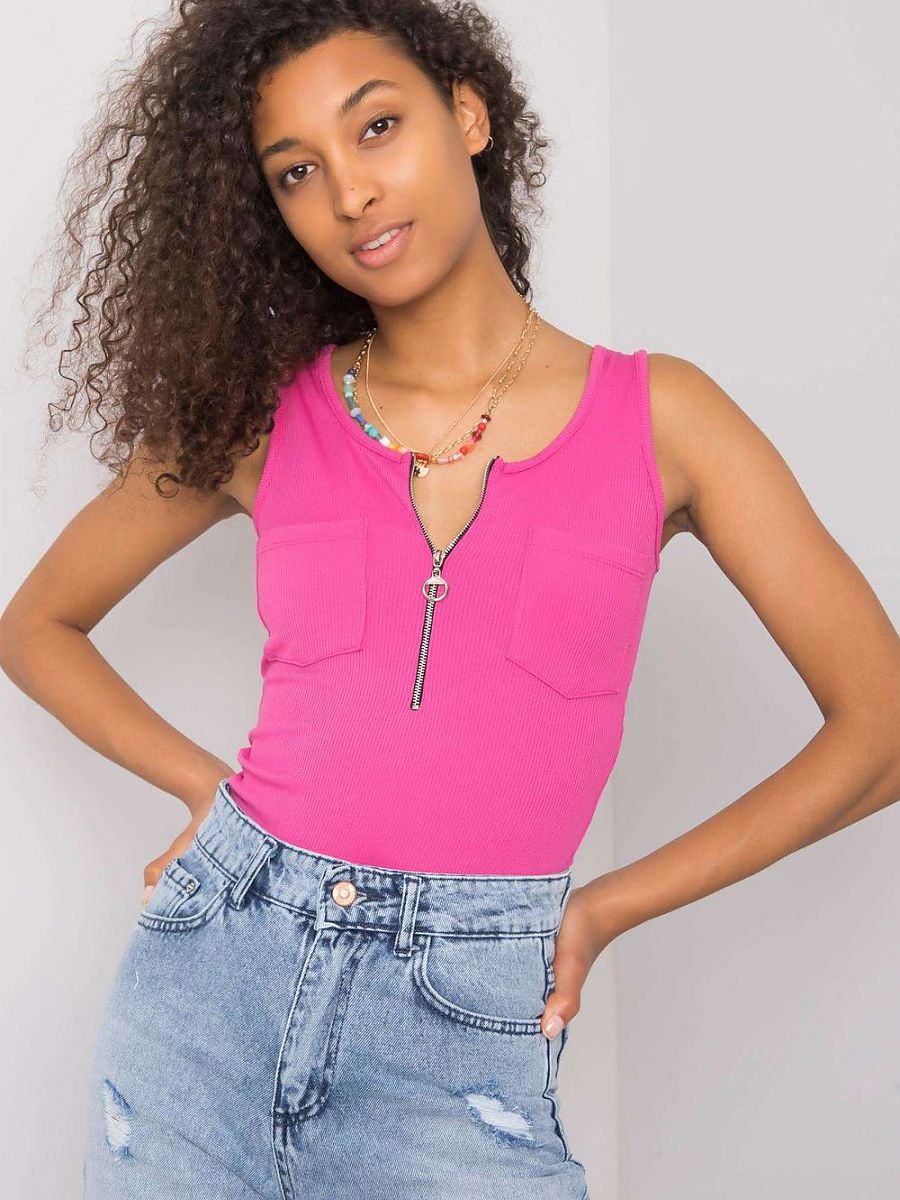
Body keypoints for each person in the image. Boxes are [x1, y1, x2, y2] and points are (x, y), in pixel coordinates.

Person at [3, 1, 899, 1196]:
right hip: (208, 1002)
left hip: (463, 1026)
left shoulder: (665, 419)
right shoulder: (262, 415)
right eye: (298, 171)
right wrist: (205, 788)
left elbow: (882, 724)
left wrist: (603, 911)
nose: (351, 192)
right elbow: (37, 625)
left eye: (377, 127)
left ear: (468, 115)